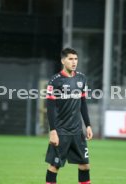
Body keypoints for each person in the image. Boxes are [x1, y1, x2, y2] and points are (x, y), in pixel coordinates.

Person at [45, 48, 93, 184]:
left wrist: (88, 125)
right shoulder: (55, 81)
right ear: (63, 60)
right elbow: (50, 107)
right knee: (55, 166)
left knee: (85, 165)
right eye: (70, 59)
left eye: (76, 59)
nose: (74, 62)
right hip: (61, 131)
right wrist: (53, 131)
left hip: (77, 131)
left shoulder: (82, 78)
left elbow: (83, 103)